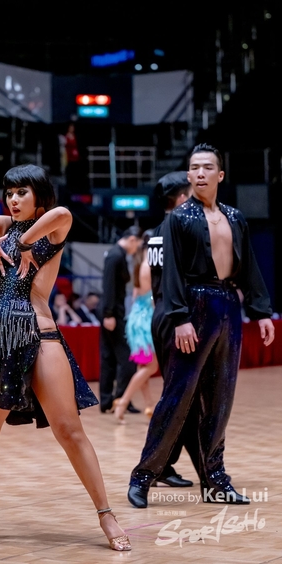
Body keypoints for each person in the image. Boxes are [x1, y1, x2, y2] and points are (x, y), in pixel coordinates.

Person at [0, 164, 131, 551]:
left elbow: (63, 213)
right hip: (2, 344)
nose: (13, 200)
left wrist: (28, 242)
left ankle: (106, 514)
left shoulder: (52, 228)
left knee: (69, 431)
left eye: (22, 192)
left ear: (38, 196)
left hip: (41, 335)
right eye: (9, 193)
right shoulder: (2, 228)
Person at [127, 144, 275, 509]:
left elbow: (249, 266)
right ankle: (143, 477)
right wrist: (179, 318)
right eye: (194, 168)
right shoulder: (177, 219)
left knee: (221, 398)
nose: (200, 173)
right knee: (177, 397)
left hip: (228, 305)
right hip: (193, 305)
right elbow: (171, 274)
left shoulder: (235, 217)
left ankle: (215, 481)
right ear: (189, 175)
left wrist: (261, 311)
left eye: (208, 167)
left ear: (220, 175)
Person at [146, 171, 198, 487]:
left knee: (182, 394)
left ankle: (166, 463)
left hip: (163, 315)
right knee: (178, 395)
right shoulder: (180, 232)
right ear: (181, 198)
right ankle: (156, 465)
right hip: (177, 320)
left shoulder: (155, 232)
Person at [113, 231, 159, 423]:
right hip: (145, 321)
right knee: (151, 366)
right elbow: (153, 298)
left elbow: (135, 296)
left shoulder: (140, 264)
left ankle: (150, 406)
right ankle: (122, 402)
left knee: (143, 366)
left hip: (137, 318)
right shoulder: (150, 266)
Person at [98, 226, 143, 414]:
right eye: (138, 245)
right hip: (112, 312)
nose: (137, 250)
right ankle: (121, 399)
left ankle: (108, 401)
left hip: (112, 311)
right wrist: (109, 314)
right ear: (132, 240)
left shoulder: (116, 254)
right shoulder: (116, 256)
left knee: (109, 356)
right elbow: (108, 286)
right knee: (127, 359)